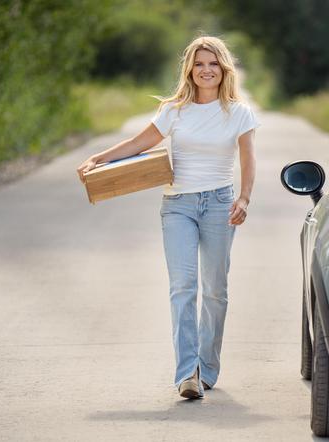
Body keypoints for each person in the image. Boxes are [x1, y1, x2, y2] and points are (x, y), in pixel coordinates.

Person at [76, 36, 259, 399]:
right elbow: (138, 144)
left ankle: (207, 368)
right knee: (182, 289)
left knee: (215, 291)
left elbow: (248, 159)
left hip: (220, 204)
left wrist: (244, 198)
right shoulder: (174, 110)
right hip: (178, 206)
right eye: (199, 64)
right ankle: (186, 374)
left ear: (223, 69)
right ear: (189, 69)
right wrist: (100, 158)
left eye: (213, 64)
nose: (206, 70)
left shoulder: (238, 112)